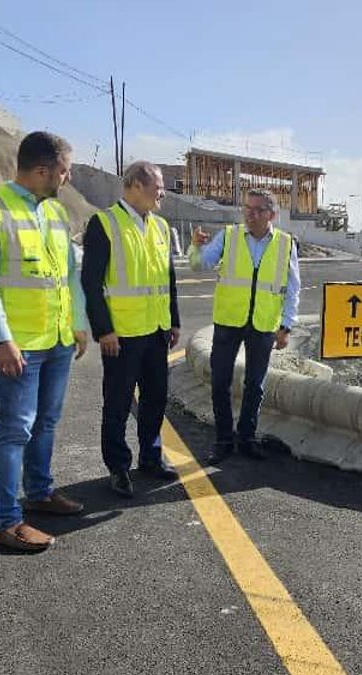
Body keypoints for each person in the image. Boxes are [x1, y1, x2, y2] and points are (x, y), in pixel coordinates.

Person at [0, 131, 88, 552]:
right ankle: (6, 520)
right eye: (64, 171)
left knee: (46, 422)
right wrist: (1, 340)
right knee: (15, 428)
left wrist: (78, 324)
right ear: (41, 170)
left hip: (56, 340)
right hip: (18, 345)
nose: (67, 179)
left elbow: (68, 275)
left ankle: (40, 492)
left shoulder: (54, 214)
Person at [81, 161, 181, 497]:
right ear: (135, 185)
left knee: (155, 400)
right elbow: (91, 283)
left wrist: (174, 321)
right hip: (121, 336)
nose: (162, 192)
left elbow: (168, 279)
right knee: (118, 403)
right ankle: (118, 466)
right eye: (157, 186)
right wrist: (103, 330)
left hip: (156, 331)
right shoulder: (104, 223)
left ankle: (151, 457)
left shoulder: (162, 227)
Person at [189, 188, 300, 464]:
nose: (250, 214)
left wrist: (286, 326)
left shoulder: (286, 244)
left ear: (272, 214)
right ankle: (224, 439)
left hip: (263, 325)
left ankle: (247, 438)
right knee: (219, 382)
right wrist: (195, 246)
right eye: (247, 209)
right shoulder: (229, 236)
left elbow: (293, 289)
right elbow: (199, 264)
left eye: (258, 210)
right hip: (228, 322)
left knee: (255, 385)